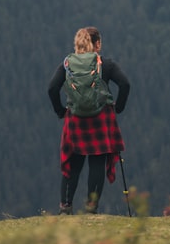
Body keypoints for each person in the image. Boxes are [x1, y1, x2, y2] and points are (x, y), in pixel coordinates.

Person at [48, 26, 130, 214]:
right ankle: (91, 207)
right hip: (101, 119)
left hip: (75, 120)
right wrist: (118, 107)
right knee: (97, 163)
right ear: (97, 44)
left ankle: (65, 206)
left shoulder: (67, 65)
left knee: (74, 163)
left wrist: (61, 111)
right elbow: (125, 84)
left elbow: (52, 89)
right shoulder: (106, 65)